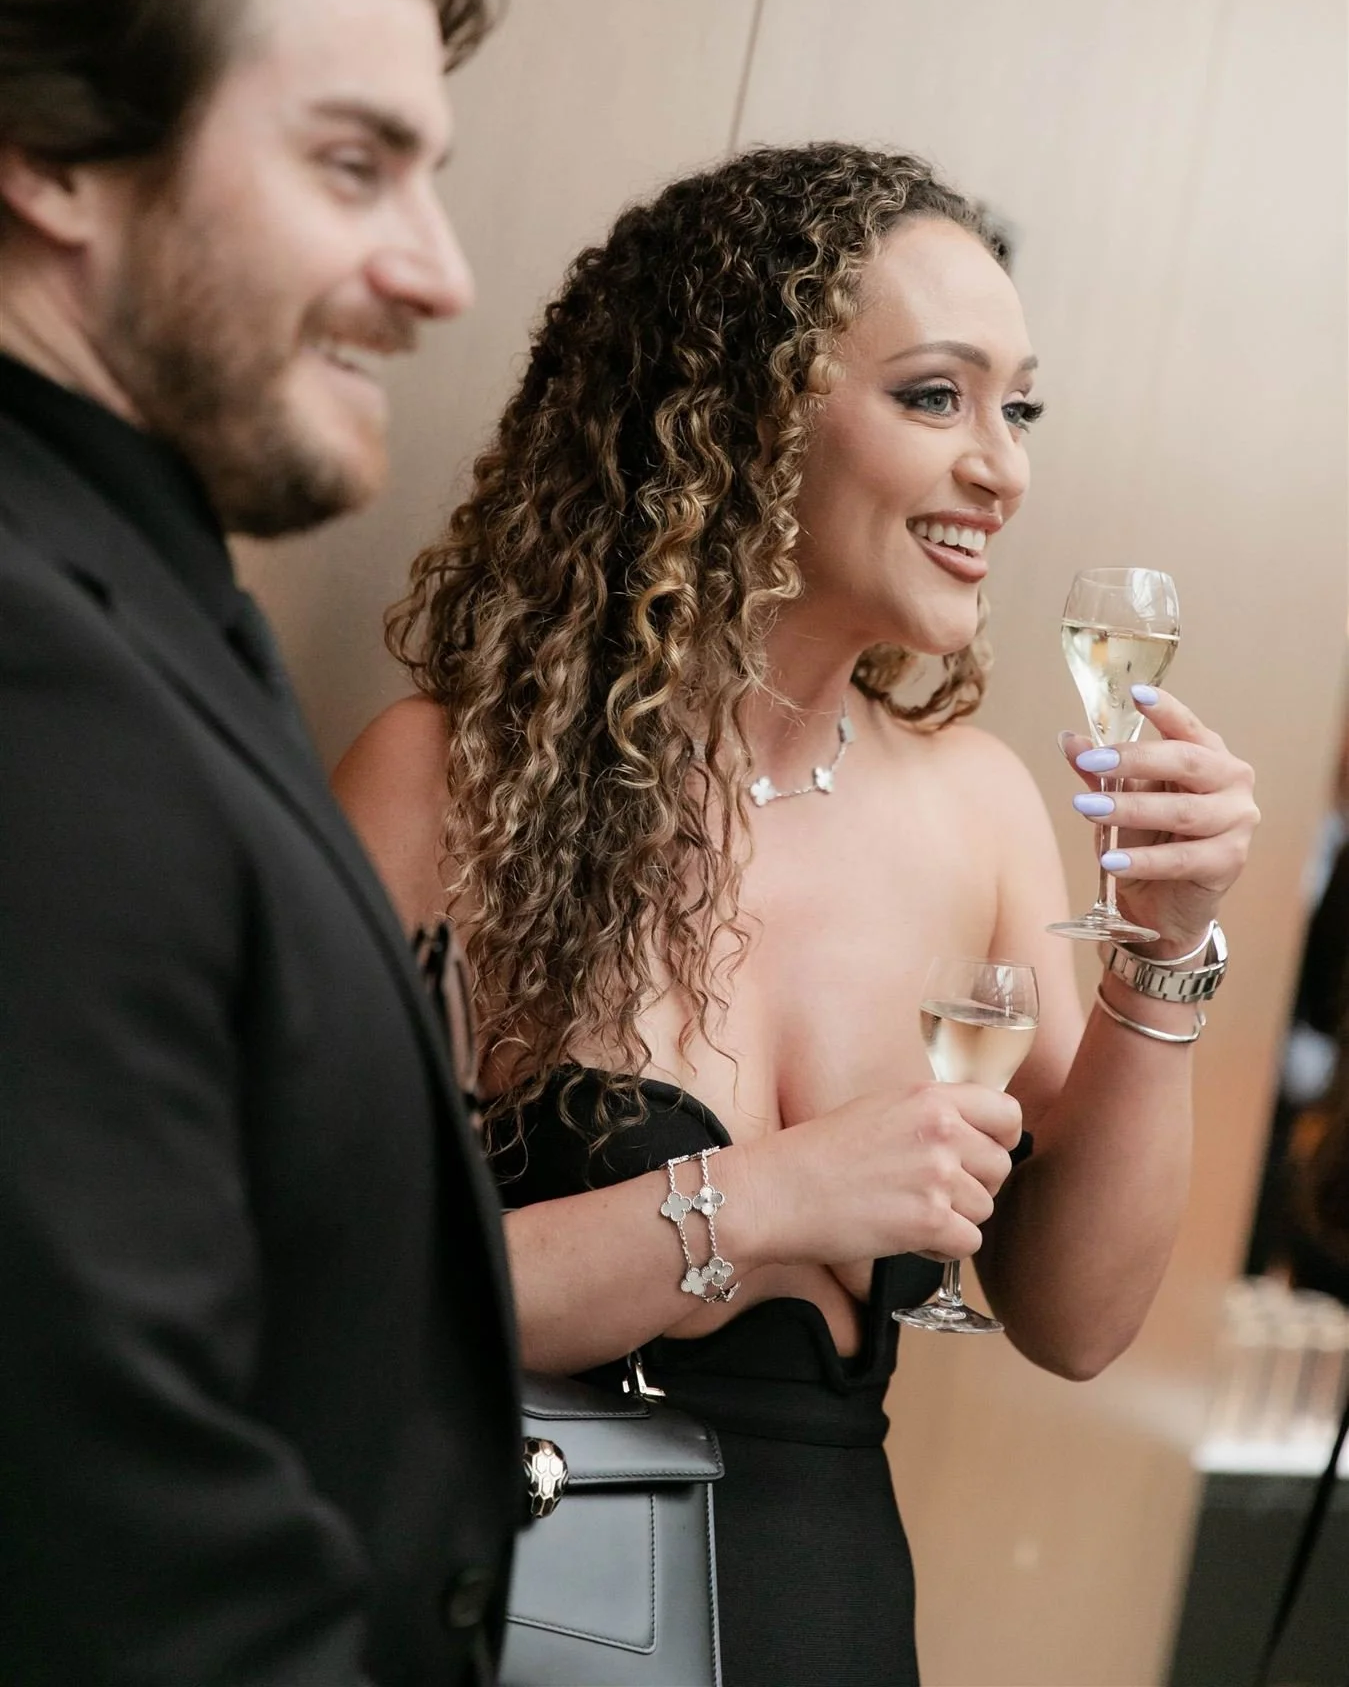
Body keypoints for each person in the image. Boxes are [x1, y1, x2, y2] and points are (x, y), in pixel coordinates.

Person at [336, 143, 1259, 1685]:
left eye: (1017, 408)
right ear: (738, 417)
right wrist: (767, 1202)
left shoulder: (977, 808)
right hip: (522, 1603)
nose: (1003, 467)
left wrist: (1166, 953)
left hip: (822, 1609)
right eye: (934, 396)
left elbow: (1077, 1320)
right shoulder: (453, 783)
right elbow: (339, 1292)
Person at [0, 0, 520, 1686]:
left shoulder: (126, 591)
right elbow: (101, 1539)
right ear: (54, 153)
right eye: (352, 164)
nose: (440, 272)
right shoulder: (24, 661)